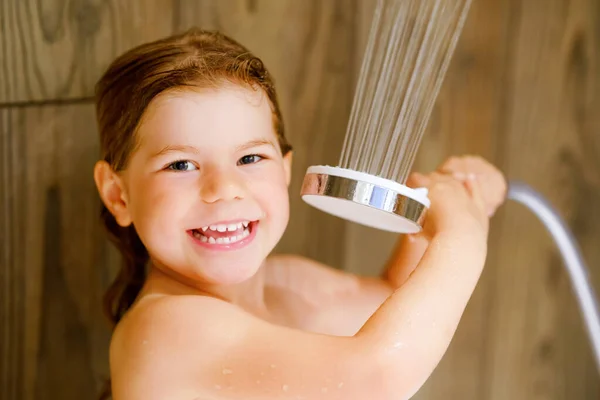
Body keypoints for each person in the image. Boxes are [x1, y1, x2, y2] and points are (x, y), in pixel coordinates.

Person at [93, 28, 507, 400]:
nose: (225, 190)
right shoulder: (167, 328)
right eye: (181, 165)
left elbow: (395, 302)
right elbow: (379, 373)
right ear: (119, 195)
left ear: (286, 170)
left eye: (250, 157)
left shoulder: (288, 285)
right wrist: (463, 237)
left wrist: (445, 215)